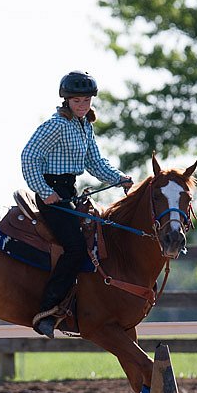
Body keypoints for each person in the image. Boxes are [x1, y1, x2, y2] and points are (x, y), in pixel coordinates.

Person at [21, 70, 133, 338]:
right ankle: (47, 309)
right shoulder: (56, 125)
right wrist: (44, 190)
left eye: (86, 101)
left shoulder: (85, 126)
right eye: (77, 101)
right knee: (75, 247)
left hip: (69, 190)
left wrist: (119, 178)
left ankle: (79, 304)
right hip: (52, 193)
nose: (82, 106)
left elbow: (95, 162)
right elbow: (29, 156)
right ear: (66, 101)